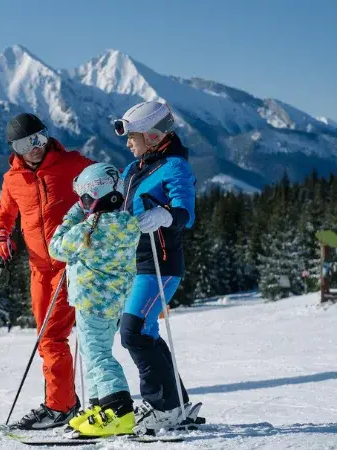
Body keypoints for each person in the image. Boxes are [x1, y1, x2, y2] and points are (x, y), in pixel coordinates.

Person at [0, 112, 95, 429]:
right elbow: (5, 214)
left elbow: (109, 186)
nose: (34, 147)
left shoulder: (74, 165)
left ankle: (60, 405)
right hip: (40, 269)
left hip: (73, 265)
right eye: (26, 143)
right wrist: (2, 238)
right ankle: (64, 402)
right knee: (47, 338)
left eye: (38, 138)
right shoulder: (13, 179)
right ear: (15, 148)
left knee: (58, 337)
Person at [113, 101, 199, 435]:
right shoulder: (135, 168)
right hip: (137, 263)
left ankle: (162, 407)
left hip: (160, 264)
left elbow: (185, 213)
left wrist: (165, 215)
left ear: (152, 135)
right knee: (143, 331)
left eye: (132, 135)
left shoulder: (175, 167)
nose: (128, 143)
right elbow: (117, 202)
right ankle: (175, 402)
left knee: (133, 331)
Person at [48, 163, 141, 437]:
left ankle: (118, 411)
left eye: (84, 199)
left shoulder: (86, 230)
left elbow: (56, 247)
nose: (82, 204)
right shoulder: (129, 225)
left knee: (98, 356)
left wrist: (75, 212)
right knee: (92, 353)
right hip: (115, 302)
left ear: (92, 198)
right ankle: (99, 408)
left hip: (90, 301)